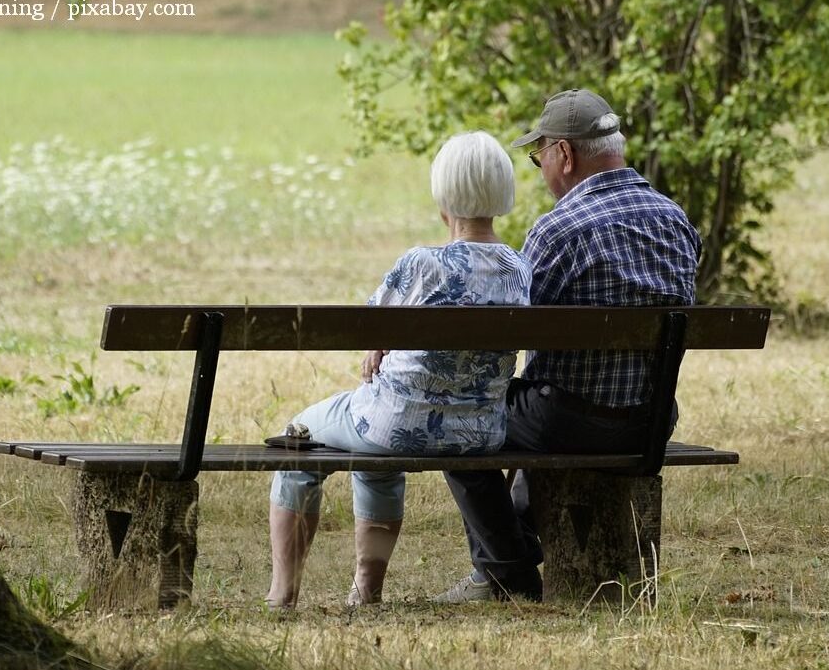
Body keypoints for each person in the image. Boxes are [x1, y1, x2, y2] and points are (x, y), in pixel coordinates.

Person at [433, 89, 702, 603]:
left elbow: (512, 334)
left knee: (457, 416)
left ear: (564, 154)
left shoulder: (558, 230)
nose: (541, 170)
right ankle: (512, 553)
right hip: (651, 421)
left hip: (570, 422)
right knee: (541, 399)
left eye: (539, 159)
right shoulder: (676, 221)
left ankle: (507, 573)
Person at [266, 131, 533, 609]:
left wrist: (379, 344)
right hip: (479, 433)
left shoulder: (421, 264)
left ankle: (282, 593)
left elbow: (368, 327)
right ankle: (365, 591)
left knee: (298, 437)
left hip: (395, 425)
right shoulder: (519, 268)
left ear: (443, 196)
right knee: (375, 450)